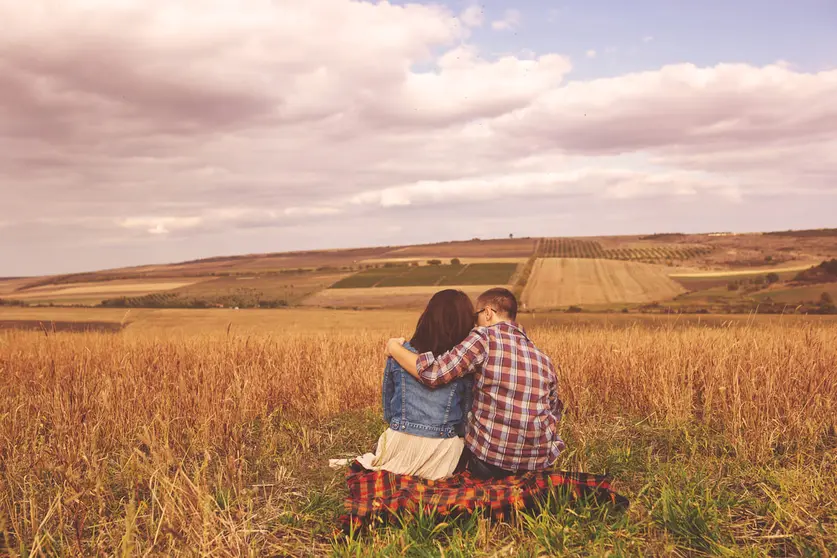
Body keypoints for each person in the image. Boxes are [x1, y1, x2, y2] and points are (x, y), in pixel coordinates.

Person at [386, 287, 564, 479]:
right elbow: (554, 411)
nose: (473, 322)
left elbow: (434, 375)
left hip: (491, 464)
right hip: (536, 464)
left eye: (475, 315)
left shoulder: (483, 338)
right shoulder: (543, 358)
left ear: (488, 313)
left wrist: (393, 347)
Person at [347, 289, 476, 480]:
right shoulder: (462, 364)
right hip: (442, 453)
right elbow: (465, 418)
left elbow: (388, 411)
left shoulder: (400, 353)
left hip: (398, 443)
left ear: (427, 317)